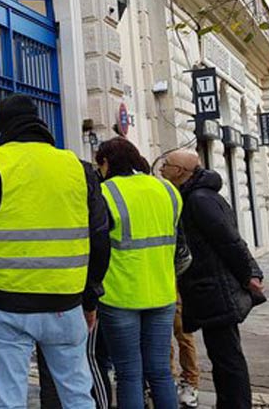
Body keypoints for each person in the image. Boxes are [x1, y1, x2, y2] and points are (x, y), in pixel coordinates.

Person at [0, 94, 111, 409]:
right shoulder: (77, 168)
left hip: (8, 304)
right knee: (78, 395)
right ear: (40, 122)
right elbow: (100, 237)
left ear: (1, 127)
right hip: (67, 304)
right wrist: (91, 296)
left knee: (9, 399)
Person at [159, 150, 263, 409]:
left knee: (227, 357)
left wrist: (249, 274)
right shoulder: (198, 195)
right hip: (211, 286)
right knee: (224, 355)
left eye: (166, 165)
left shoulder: (198, 199)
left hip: (215, 287)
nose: (161, 168)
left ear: (181, 171)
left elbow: (228, 240)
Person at [93, 138, 181, 409]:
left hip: (121, 296)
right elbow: (179, 244)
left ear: (106, 162)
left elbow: (97, 245)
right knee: (160, 372)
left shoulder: (106, 192)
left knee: (129, 373)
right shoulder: (168, 190)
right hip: (162, 292)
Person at [172, 294, 200, 408]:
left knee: (184, 334)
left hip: (178, 284)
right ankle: (170, 378)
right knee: (162, 339)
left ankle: (191, 382)